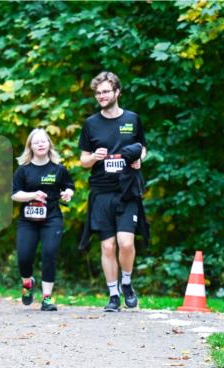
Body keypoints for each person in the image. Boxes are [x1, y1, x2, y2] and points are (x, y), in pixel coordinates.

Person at [78, 71, 148, 312]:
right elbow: (83, 160)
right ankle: (113, 294)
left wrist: (140, 159)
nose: (101, 96)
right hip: (102, 191)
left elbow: (143, 148)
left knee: (125, 242)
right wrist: (93, 157)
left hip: (127, 189)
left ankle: (126, 283)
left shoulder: (132, 119)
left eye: (106, 91)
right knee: (107, 246)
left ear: (117, 92)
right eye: (98, 93)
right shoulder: (91, 124)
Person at [12, 128, 74, 311]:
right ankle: (27, 283)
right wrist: (32, 195)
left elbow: (69, 186)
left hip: (52, 218)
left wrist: (67, 194)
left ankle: (47, 298)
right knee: (24, 257)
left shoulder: (58, 169)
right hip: (28, 221)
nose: (40, 144)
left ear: (49, 144)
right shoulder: (23, 170)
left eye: (43, 141)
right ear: (30, 146)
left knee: (49, 254)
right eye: (36, 142)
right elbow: (14, 194)